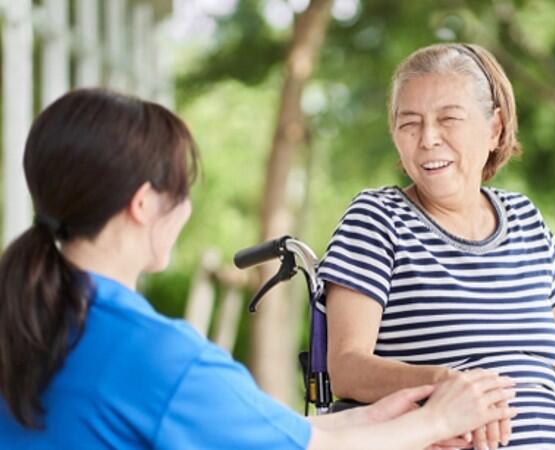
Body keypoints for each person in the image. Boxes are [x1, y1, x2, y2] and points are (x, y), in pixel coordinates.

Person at [0, 88, 516, 450]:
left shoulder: (30, 317)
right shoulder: (155, 355)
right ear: (143, 205)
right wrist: (442, 418)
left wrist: (376, 417)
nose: (186, 209)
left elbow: (268, 431)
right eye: (183, 192)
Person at [319, 43, 555, 450]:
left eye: (448, 118)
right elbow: (346, 367)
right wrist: (449, 385)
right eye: (409, 123)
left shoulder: (524, 218)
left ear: (494, 128)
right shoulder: (377, 218)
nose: (428, 139)